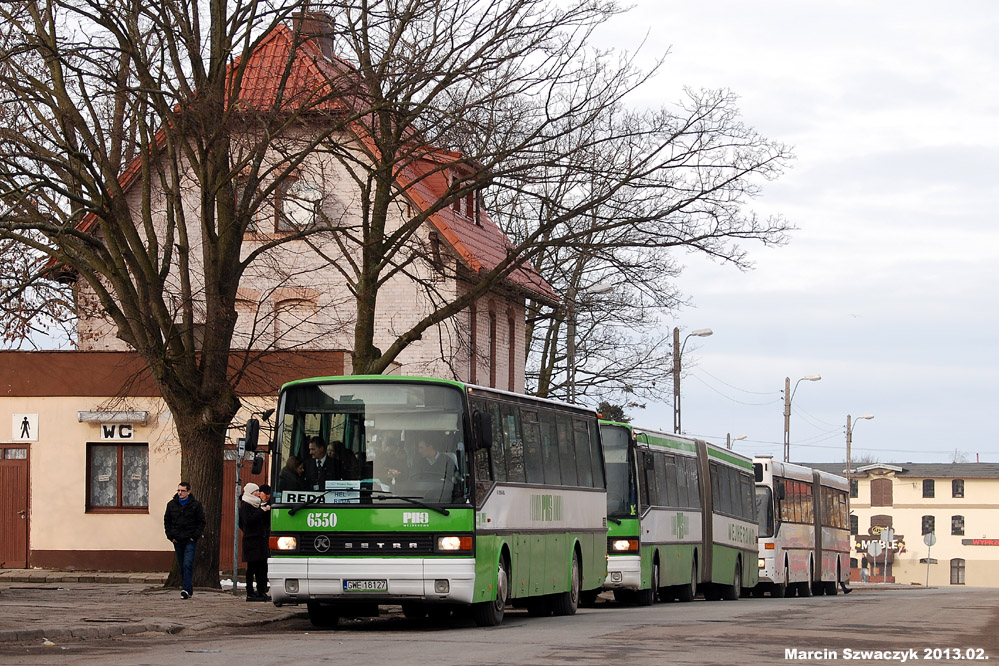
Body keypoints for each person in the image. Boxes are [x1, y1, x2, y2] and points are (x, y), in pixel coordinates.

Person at [163, 481, 206, 599]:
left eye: (182, 491)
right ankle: (188, 589)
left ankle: (185, 589)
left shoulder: (196, 505)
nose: (180, 493)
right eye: (178, 490)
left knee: (188, 564)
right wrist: (170, 536)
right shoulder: (171, 504)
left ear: (188, 492)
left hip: (190, 539)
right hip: (177, 539)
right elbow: (167, 521)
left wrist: (194, 536)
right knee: (182, 565)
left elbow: (201, 522)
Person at [239, 482, 272, 601]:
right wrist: (262, 511)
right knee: (252, 567)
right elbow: (248, 521)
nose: (258, 493)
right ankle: (250, 592)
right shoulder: (246, 505)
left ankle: (261, 590)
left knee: (262, 567)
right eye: (256, 491)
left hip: (260, 540)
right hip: (251, 541)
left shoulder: (256, 505)